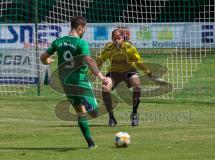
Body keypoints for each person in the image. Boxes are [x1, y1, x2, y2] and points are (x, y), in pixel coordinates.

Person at [40, 16, 110, 148]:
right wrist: (101, 77)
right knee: (94, 112)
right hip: (80, 81)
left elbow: (43, 57)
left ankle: (90, 143)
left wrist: (47, 61)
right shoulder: (81, 43)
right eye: (84, 29)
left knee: (80, 111)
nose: (84, 32)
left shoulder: (59, 42)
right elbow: (89, 60)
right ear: (79, 28)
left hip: (65, 83)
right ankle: (87, 103)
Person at [96, 28, 153, 127]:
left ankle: (134, 114)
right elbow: (100, 61)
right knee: (105, 88)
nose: (117, 40)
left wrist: (147, 71)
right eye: (114, 38)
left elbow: (138, 61)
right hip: (113, 73)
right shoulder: (109, 48)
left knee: (137, 85)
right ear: (112, 39)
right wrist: (90, 72)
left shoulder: (129, 48)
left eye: (119, 38)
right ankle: (111, 118)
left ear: (123, 38)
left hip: (129, 71)